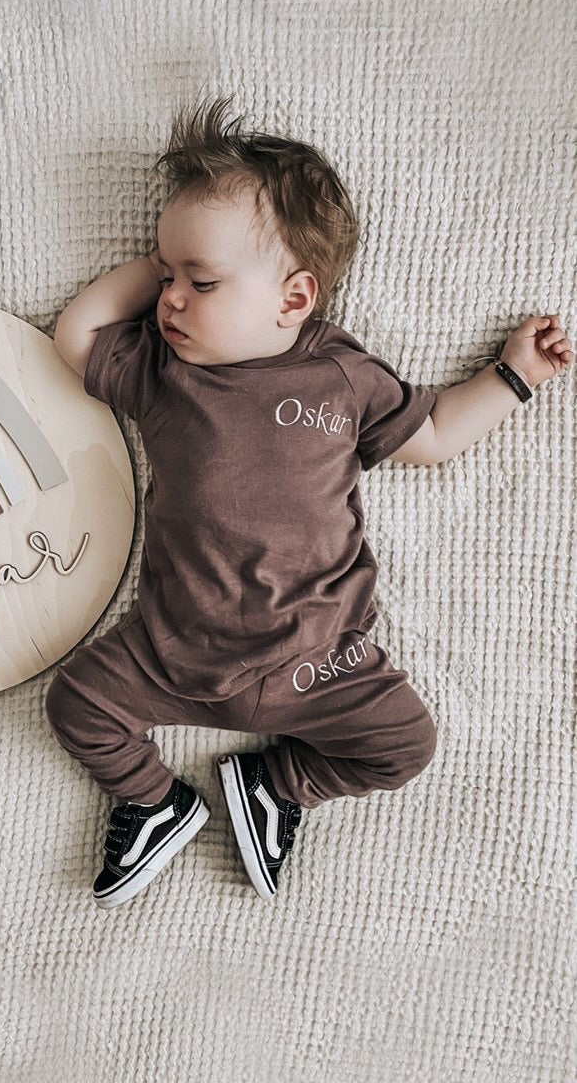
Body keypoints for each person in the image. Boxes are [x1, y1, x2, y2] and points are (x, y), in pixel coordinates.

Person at [45, 93, 573, 909]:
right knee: (75, 705)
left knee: (406, 745)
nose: (171, 299)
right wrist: (153, 267)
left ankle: (277, 785)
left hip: (320, 660)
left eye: (201, 280)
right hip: (175, 653)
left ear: (294, 299)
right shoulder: (162, 370)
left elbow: (431, 436)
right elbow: (75, 337)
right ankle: (154, 802)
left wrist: (512, 378)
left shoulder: (343, 377)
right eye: (166, 275)